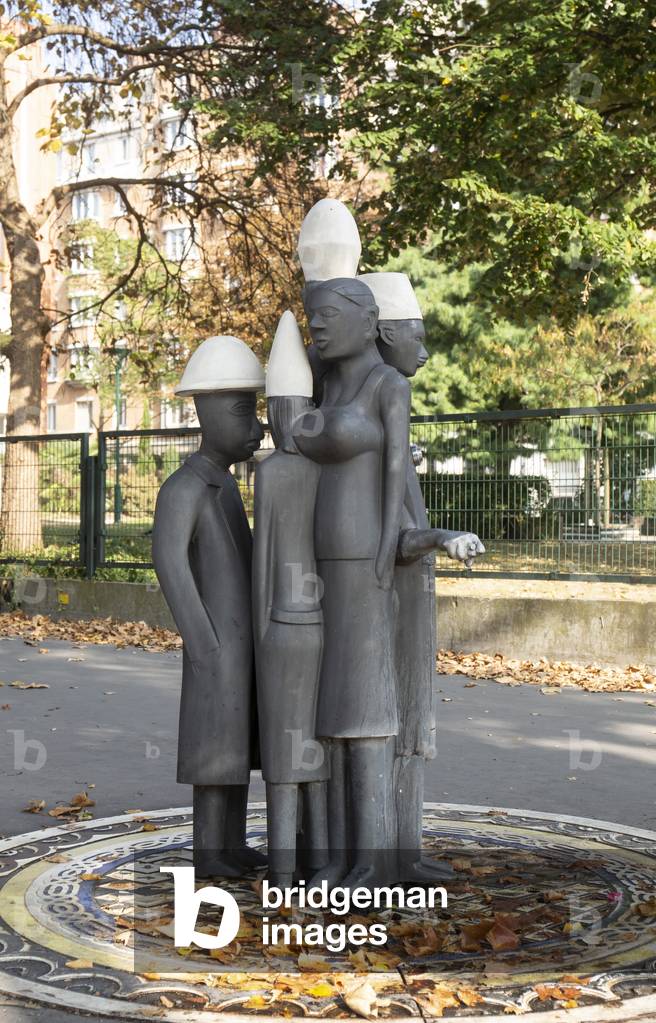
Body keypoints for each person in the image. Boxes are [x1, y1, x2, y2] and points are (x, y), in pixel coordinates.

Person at [360, 271, 485, 880]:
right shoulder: (374, 409)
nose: (426, 349)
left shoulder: (381, 412)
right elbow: (393, 539)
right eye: (417, 335)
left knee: (408, 729)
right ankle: (383, 856)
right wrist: (440, 538)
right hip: (381, 607)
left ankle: (401, 854)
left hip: (402, 604)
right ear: (384, 334)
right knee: (386, 730)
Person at [293, 276, 411, 888]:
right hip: (316, 568)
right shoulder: (325, 384)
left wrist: (386, 554)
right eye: (312, 314)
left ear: (367, 323)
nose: (317, 323)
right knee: (329, 712)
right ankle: (339, 853)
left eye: (330, 314)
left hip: (364, 563)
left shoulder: (386, 385)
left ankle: (374, 857)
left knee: (366, 709)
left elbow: (397, 472)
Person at [152, 335, 267, 878]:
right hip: (216, 644)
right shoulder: (185, 488)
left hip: (239, 642)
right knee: (212, 749)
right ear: (208, 412)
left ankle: (232, 843)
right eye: (244, 412)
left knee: (235, 746)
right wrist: (202, 642)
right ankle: (208, 849)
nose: (257, 426)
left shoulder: (222, 485)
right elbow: (169, 563)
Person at [252, 311, 329, 886]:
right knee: (314, 745)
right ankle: (322, 860)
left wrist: (257, 638)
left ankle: (281, 870)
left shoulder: (272, 473)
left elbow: (262, 567)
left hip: (279, 627)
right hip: (320, 623)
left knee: (283, 749)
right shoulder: (327, 470)